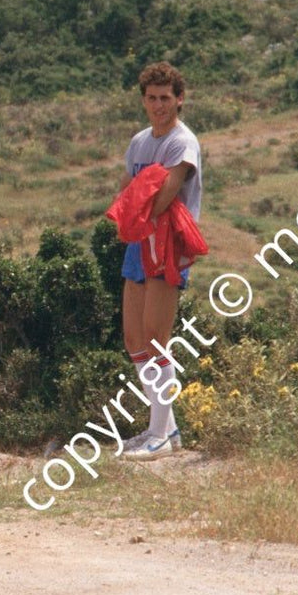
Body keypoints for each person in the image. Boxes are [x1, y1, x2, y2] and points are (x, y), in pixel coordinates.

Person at [118, 62, 203, 461]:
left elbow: (164, 195)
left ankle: (158, 438)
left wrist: (138, 201)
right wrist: (135, 204)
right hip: (139, 241)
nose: (158, 106)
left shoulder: (182, 143)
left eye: (166, 98)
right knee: (134, 339)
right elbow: (125, 193)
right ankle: (166, 431)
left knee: (156, 339)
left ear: (179, 99)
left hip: (168, 243)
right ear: (143, 100)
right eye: (151, 98)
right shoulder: (138, 143)